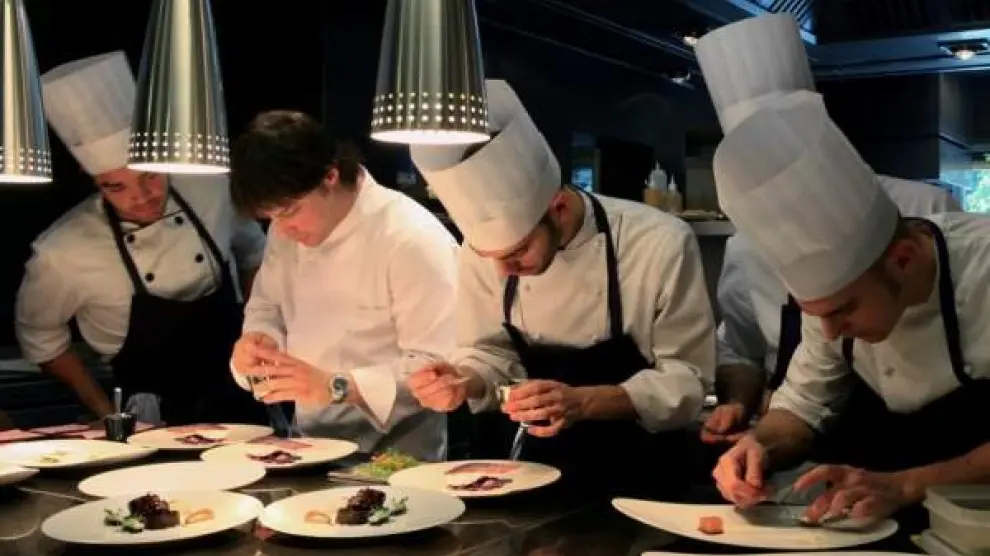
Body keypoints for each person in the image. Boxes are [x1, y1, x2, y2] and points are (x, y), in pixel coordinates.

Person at [405, 79, 715, 496]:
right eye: (488, 255)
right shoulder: (482, 255)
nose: (502, 272)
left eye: (518, 252)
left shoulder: (659, 244)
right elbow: (491, 352)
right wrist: (464, 380)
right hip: (523, 473)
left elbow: (687, 381)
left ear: (560, 208)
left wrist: (583, 401)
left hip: (638, 473)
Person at [709, 92, 990, 526]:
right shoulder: (833, 300)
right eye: (815, 313)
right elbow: (804, 403)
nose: (828, 332)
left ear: (902, 261)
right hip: (876, 517)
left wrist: (906, 485)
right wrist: (759, 446)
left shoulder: (984, 266)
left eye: (844, 310)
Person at [693, 13, 962, 444]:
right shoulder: (746, 247)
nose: (773, 177)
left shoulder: (927, 210)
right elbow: (748, 354)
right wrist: (745, 411)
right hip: (812, 445)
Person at [15, 51, 268, 426]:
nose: (141, 197)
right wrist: (107, 413)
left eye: (149, 175)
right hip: (148, 419)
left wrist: (259, 334)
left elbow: (254, 254)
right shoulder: (62, 252)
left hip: (242, 399)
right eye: (116, 186)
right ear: (92, 179)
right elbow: (41, 338)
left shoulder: (211, 186)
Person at [226, 111, 458, 461]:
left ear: (330, 177)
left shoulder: (411, 237)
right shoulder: (284, 230)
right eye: (271, 217)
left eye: (289, 211)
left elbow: (437, 367)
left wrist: (335, 386)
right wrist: (261, 339)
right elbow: (267, 305)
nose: (282, 229)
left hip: (399, 453)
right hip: (308, 444)